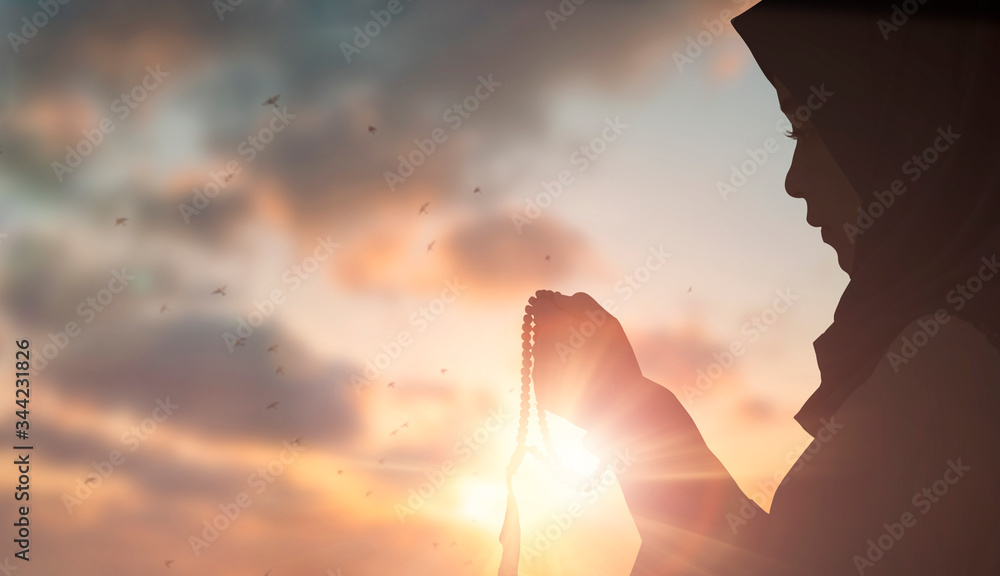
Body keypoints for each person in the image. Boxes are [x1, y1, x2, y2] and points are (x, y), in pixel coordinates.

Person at [529, 1, 1000, 574]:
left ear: (905, 128)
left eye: (805, 126)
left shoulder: (949, 370)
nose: (793, 180)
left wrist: (633, 415)